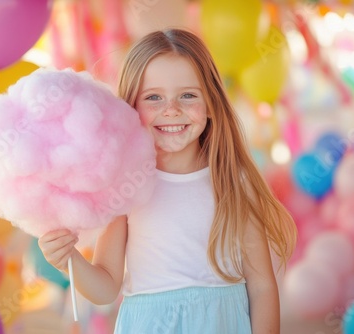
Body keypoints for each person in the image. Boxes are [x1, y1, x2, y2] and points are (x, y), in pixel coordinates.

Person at [38, 28, 296, 333]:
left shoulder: (234, 181)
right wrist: (69, 259)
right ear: (131, 108)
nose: (171, 110)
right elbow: (106, 287)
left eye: (187, 95)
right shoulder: (124, 185)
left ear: (212, 102)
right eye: (153, 98)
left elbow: (262, 287)